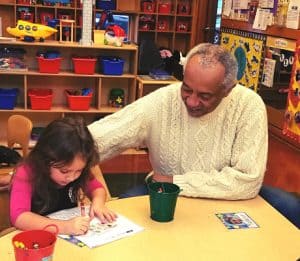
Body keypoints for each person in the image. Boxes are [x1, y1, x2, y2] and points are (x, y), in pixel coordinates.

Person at [88, 43, 299, 227]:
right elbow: (99, 137)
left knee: (291, 207)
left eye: (205, 96)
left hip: (228, 197)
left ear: (227, 89)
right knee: (119, 219)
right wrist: (64, 148)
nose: (191, 101)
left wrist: (175, 180)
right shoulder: (162, 100)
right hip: (164, 193)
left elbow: (247, 181)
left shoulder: (249, 106)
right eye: (186, 89)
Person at [10, 117, 116, 235]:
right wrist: (64, 227)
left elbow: (97, 189)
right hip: (38, 238)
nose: (71, 178)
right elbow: (19, 217)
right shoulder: (27, 172)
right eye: (64, 171)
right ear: (45, 159)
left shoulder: (76, 167)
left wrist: (98, 203)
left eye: (79, 171)